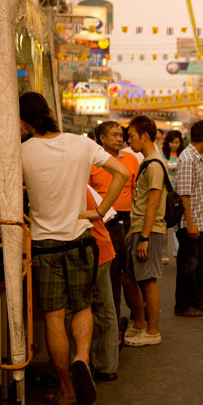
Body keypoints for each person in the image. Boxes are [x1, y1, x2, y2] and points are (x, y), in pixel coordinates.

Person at [20, 92, 128, 405]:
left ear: (24, 122)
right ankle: (82, 356)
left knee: (55, 315)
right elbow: (122, 173)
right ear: (52, 112)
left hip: (45, 245)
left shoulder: (23, 151)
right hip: (81, 240)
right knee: (82, 307)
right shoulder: (82, 143)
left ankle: (66, 388)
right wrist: (100, 210)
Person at [89, 121, 139, 340]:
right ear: (102, 138)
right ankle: (107, 325)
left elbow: (134, 191)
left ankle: (123, 321)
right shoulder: (91, 160)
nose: (120, 139)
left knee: (126, 273)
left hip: (126, 219)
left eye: (122, 135)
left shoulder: (131, 159)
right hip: (102, 221)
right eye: (115, 135)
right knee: (107, 273)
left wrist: (134, 224)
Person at [123, 115, 167, 346]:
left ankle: (152, 331)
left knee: (148, 280)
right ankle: (140, 324)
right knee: (130, 279)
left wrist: (145, 237)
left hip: (149, 230)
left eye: (131, 136)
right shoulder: (146, 162)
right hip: (138, 227)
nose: (128, 141)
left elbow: (153, 203)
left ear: (145, 135)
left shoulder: (156, 164)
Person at [174, 120, 203, 318]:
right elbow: (183, 194)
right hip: (188, 223)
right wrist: (190, 223)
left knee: (199, 262)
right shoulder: (188, 159)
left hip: (198, 220)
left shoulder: (196, 156)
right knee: (188, 265)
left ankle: (199, 299)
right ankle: (183, 305)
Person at [84, 187, 119, 382]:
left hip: (94, 247)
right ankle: (106, 365)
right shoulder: (80, 182)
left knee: (89, 308)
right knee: (105, 307)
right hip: (102, 243)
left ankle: (87, 362)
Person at [161, 129, 185, 263]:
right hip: (166, 190)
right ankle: (163, 253)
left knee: (178, 221)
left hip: (179, 190)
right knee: (164, 222)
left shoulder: (183, 155)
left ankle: (177, 251)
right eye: (172, 142)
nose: (174, 145)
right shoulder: (162, 154)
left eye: (177, 142)